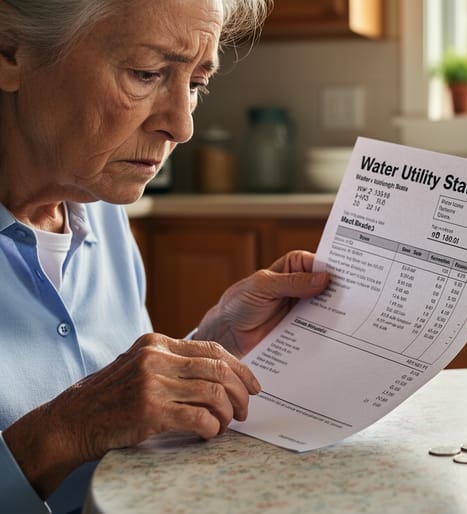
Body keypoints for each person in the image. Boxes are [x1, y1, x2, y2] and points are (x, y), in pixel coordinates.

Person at [0, 0, 329, 512]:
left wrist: (218, 342)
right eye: (146, 73)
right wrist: (66, 431)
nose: (182, 126)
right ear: (9, 51)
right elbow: (93, 415)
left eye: (196, 84)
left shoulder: (102, 210)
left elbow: (118, 410)